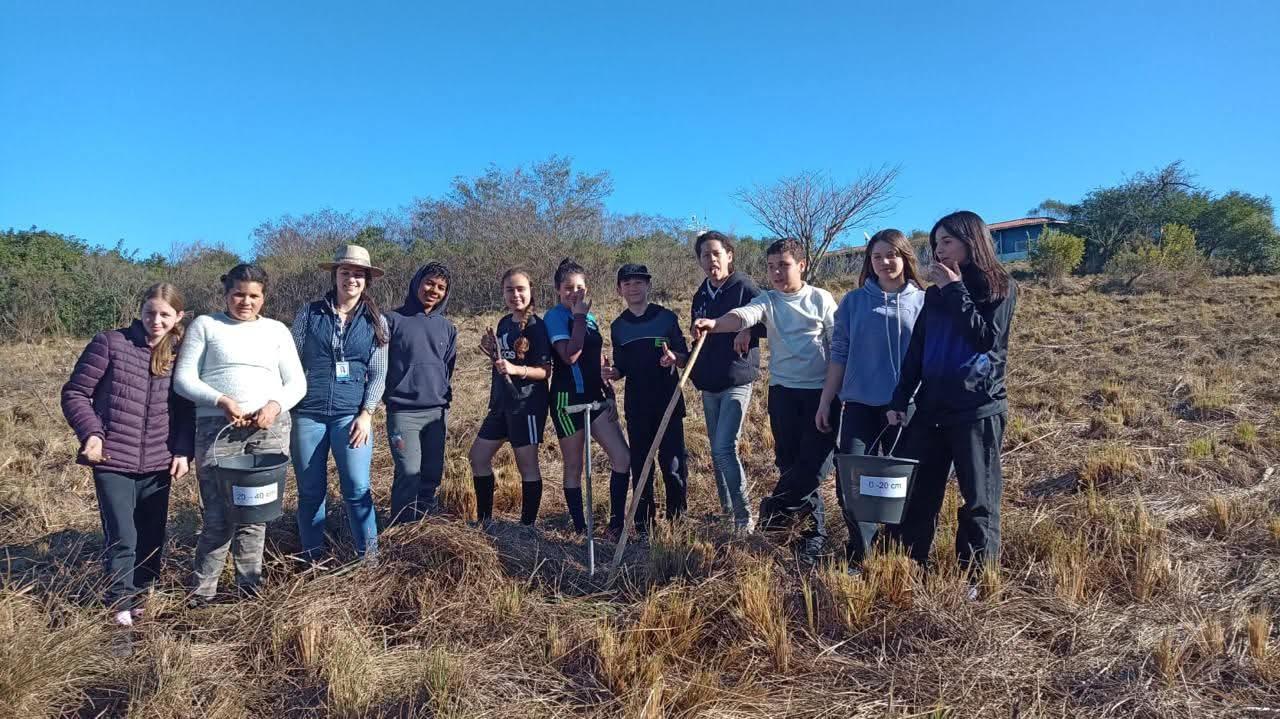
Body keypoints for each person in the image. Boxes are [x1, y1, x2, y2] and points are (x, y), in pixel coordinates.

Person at [886, 211, 1016, 579]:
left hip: (978, 409)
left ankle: (975, 577)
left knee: (978, 499)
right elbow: (918, 350)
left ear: (970, 242)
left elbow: (984, 339)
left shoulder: (1000, 287)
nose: (939, 250)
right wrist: (900, 399)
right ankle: (908, 565)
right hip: (931, 409)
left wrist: (956, 289)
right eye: (936, 243)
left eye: (947, 242)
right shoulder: (934, 294)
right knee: (919, 494)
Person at [693, 238, 838, 562]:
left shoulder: (821, 299)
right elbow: (743, 315)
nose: (775, 272)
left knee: (814, 468)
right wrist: (715, 325)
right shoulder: (769, 301)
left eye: (783, 265)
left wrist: (831, 396)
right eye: (771, 266)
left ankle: (773, 511)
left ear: (801, 266)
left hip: (820, 393)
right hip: (783, 393)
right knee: (789, 464)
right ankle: (809, 537)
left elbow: (839, 347)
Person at [61, 283, 194, 626]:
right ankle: (119, 606)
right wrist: (92, 433)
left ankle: (141, 597)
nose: (156, 320)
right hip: (112, 459)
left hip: (158, 462)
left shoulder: (182, 354)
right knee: (123, 534)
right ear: (140, 311)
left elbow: (185, 411)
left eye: (165, 314)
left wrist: (182, 451)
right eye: (150, 312)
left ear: (178, 316)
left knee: (151, 534)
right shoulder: (111, 343)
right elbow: (76, 393)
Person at [175, 264, 306, 605]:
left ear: (264, 297)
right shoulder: (206, 326)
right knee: (217, 517)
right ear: (226, 293)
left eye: (253, 295)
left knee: (254, 516)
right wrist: (220, 400)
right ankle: (201, 596)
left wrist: (274, 407)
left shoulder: (277, 331)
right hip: (218, 430)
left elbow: (297, 383)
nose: (245, 302)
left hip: (268, 432)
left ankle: (249, 592)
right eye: (238, 294)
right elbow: (184, 380)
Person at [816, 229, 925, 571]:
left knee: (900, 486)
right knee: (854, 483)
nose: (884, 262)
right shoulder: (853, 302)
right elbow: (839, 354)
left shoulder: (923, 301)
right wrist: (825, 402)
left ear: (904, 257)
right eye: (877, 257)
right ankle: (860, 551)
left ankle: (897, 551)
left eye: (891, 255)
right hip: (860, 406)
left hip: (906, 407)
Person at [289, 245, 388, 561]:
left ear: (367, 280)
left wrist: (367, 413)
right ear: (335, 275)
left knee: (358, 490)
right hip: (309, 414)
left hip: (351, 416)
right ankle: (312, 559)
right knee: (310, 493)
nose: (352, 279)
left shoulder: (376, 321)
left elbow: (378, 373)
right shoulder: (309, 313)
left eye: (358, 274)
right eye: (346, 272)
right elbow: (291, 361)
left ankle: (368, 561)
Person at [544, 258, 631, 534]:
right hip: (567, 400)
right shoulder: (556, 316)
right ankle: (581, 528)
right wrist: (579, 317)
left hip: (598, 398)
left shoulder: (590, 317)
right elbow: (569, 356)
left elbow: (594, 357)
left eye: (580, 287)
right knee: (574, 465)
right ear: (558, 290)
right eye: (568, 288)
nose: (574, 293)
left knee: (622, 458)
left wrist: (609, 383)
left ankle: (616, 523)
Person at [602, 263, 689, 537]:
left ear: (648, 285)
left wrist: (674, 358)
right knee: (641, 467)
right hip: (637, 407)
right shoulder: (618, 327)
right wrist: (612, 373)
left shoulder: (666, 318)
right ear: (619, 290)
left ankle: (677, 521)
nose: (633, 287)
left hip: (668, 403)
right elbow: (622, 366)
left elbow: (686, 357)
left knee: (673, 466)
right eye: (627, 283)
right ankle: (643, 524)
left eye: (639, 282)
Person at [689, 230, 765, 534]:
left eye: (716, 253)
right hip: (709, 382)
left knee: (724, 448)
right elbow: (698, 335)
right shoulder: (701, 295)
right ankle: (727, 514)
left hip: (737, 378)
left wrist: (750, 330)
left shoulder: (744, 287)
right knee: (716, 451)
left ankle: (744, 518)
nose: (711, 260)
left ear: (729, 255)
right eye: (705, 255)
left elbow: (768, 318)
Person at [469, 267, 553, 525]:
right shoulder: (504, 323)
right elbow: (501, 359)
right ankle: (485, 520)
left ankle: (527, 526)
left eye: (520, 289)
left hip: (526, 405)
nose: (515, 294)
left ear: (531, 291)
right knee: (478, 457)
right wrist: (491, 349)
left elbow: (546, 371)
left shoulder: (538, 327)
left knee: (526, 466)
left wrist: (517, 369)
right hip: (500, 404)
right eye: (510, 290)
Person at [384, 262, 457, 524]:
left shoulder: (447, 327)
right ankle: (401, 531)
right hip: (403, 412)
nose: (433, 291)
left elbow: (448, 366)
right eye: (429, 283)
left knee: (431, 475)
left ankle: (424, 528)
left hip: (436, 412)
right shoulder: (392, 320)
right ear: (417, 282)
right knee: (408, 471)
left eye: (441, 288)